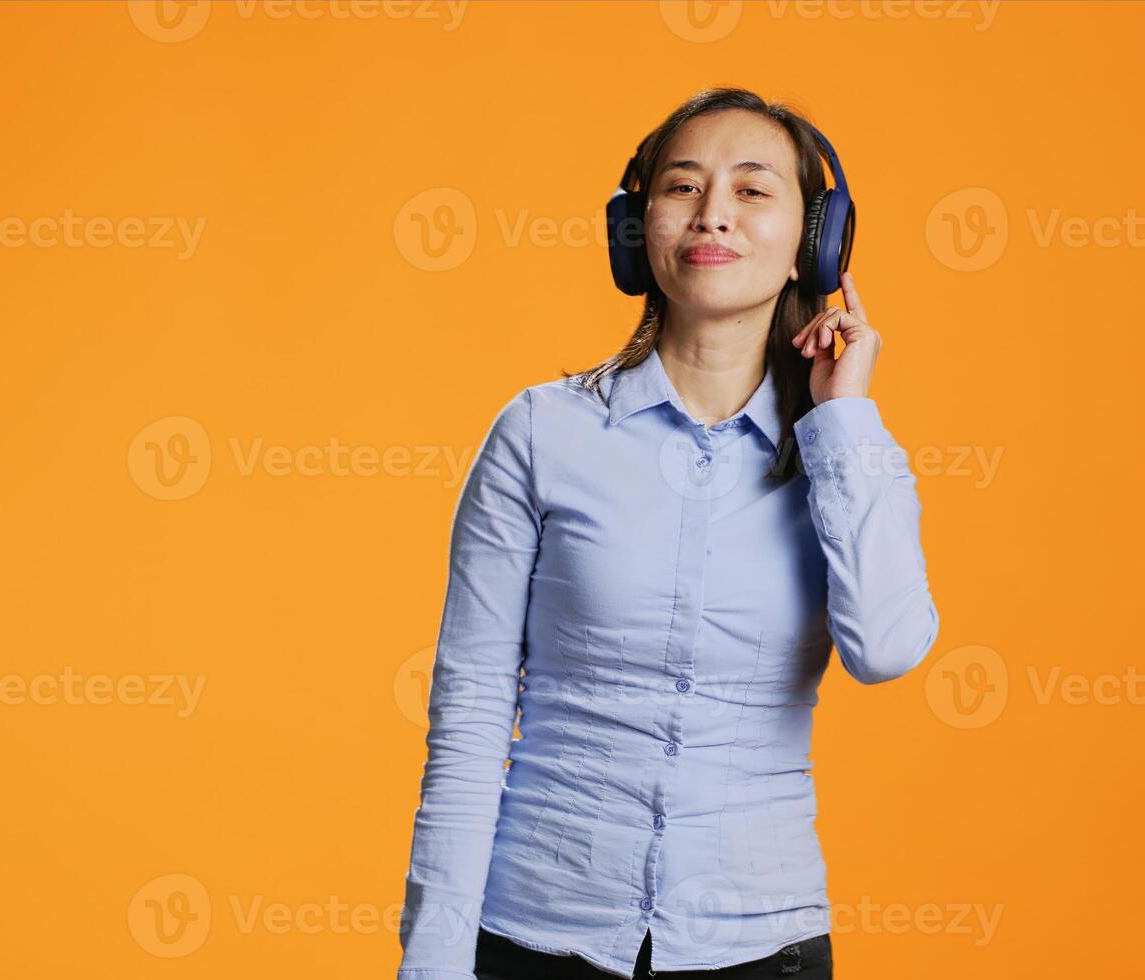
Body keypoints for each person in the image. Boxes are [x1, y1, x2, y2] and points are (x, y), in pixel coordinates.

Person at [397, 87, 939, 980]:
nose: (712, 214)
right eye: (682, 187)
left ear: (817, 238)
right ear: (634, 228)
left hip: (762, 943)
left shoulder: (847, 453)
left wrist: (843, 424)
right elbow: (470, 717)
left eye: (752, 190)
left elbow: (885, 648)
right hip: (537, 932)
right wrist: (433, 963)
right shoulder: (539, 433)